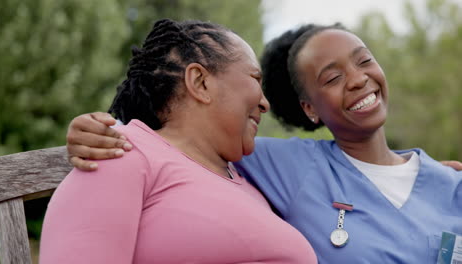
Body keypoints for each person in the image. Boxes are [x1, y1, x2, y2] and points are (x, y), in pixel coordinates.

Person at [66, 23, 462, 263]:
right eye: (332, 77)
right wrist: (101, 126)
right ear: (310, 109)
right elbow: (178, 132)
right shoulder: (288, 166)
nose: (358, 79)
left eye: (364, 61)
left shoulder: (449, 185)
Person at [39, 19, 317, 264]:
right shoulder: (121, 152)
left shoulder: (248, 174)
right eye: (255, 78)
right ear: (200, 82)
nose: (264, 103)